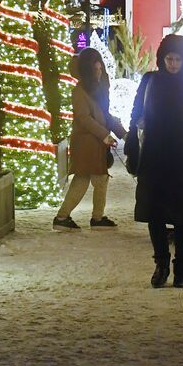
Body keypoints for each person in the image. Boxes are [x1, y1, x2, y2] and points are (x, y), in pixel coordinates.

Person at [128, 34, 183, 288]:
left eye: (177, 59)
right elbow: (135, 113)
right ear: (162, 58)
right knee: (154, 212)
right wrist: (133, 141)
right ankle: (161, 263)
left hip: (182, 151)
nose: (173, 64)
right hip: (154, 151)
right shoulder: (150, 81)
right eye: (169, 58)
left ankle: (182, 267)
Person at [53, 48, 126, 230]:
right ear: (88, 70)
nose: (99, 72)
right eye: (96, 69)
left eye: (100, 68)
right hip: (87, 141)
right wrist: (105, 135)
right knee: (93, 178)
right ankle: (93, 218)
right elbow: (84, 118)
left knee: (87, 178)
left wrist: (122, 132)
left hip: (94, 141)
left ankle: (66, 217)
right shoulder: (79, 91)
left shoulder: (98, 89)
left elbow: (104, 115)